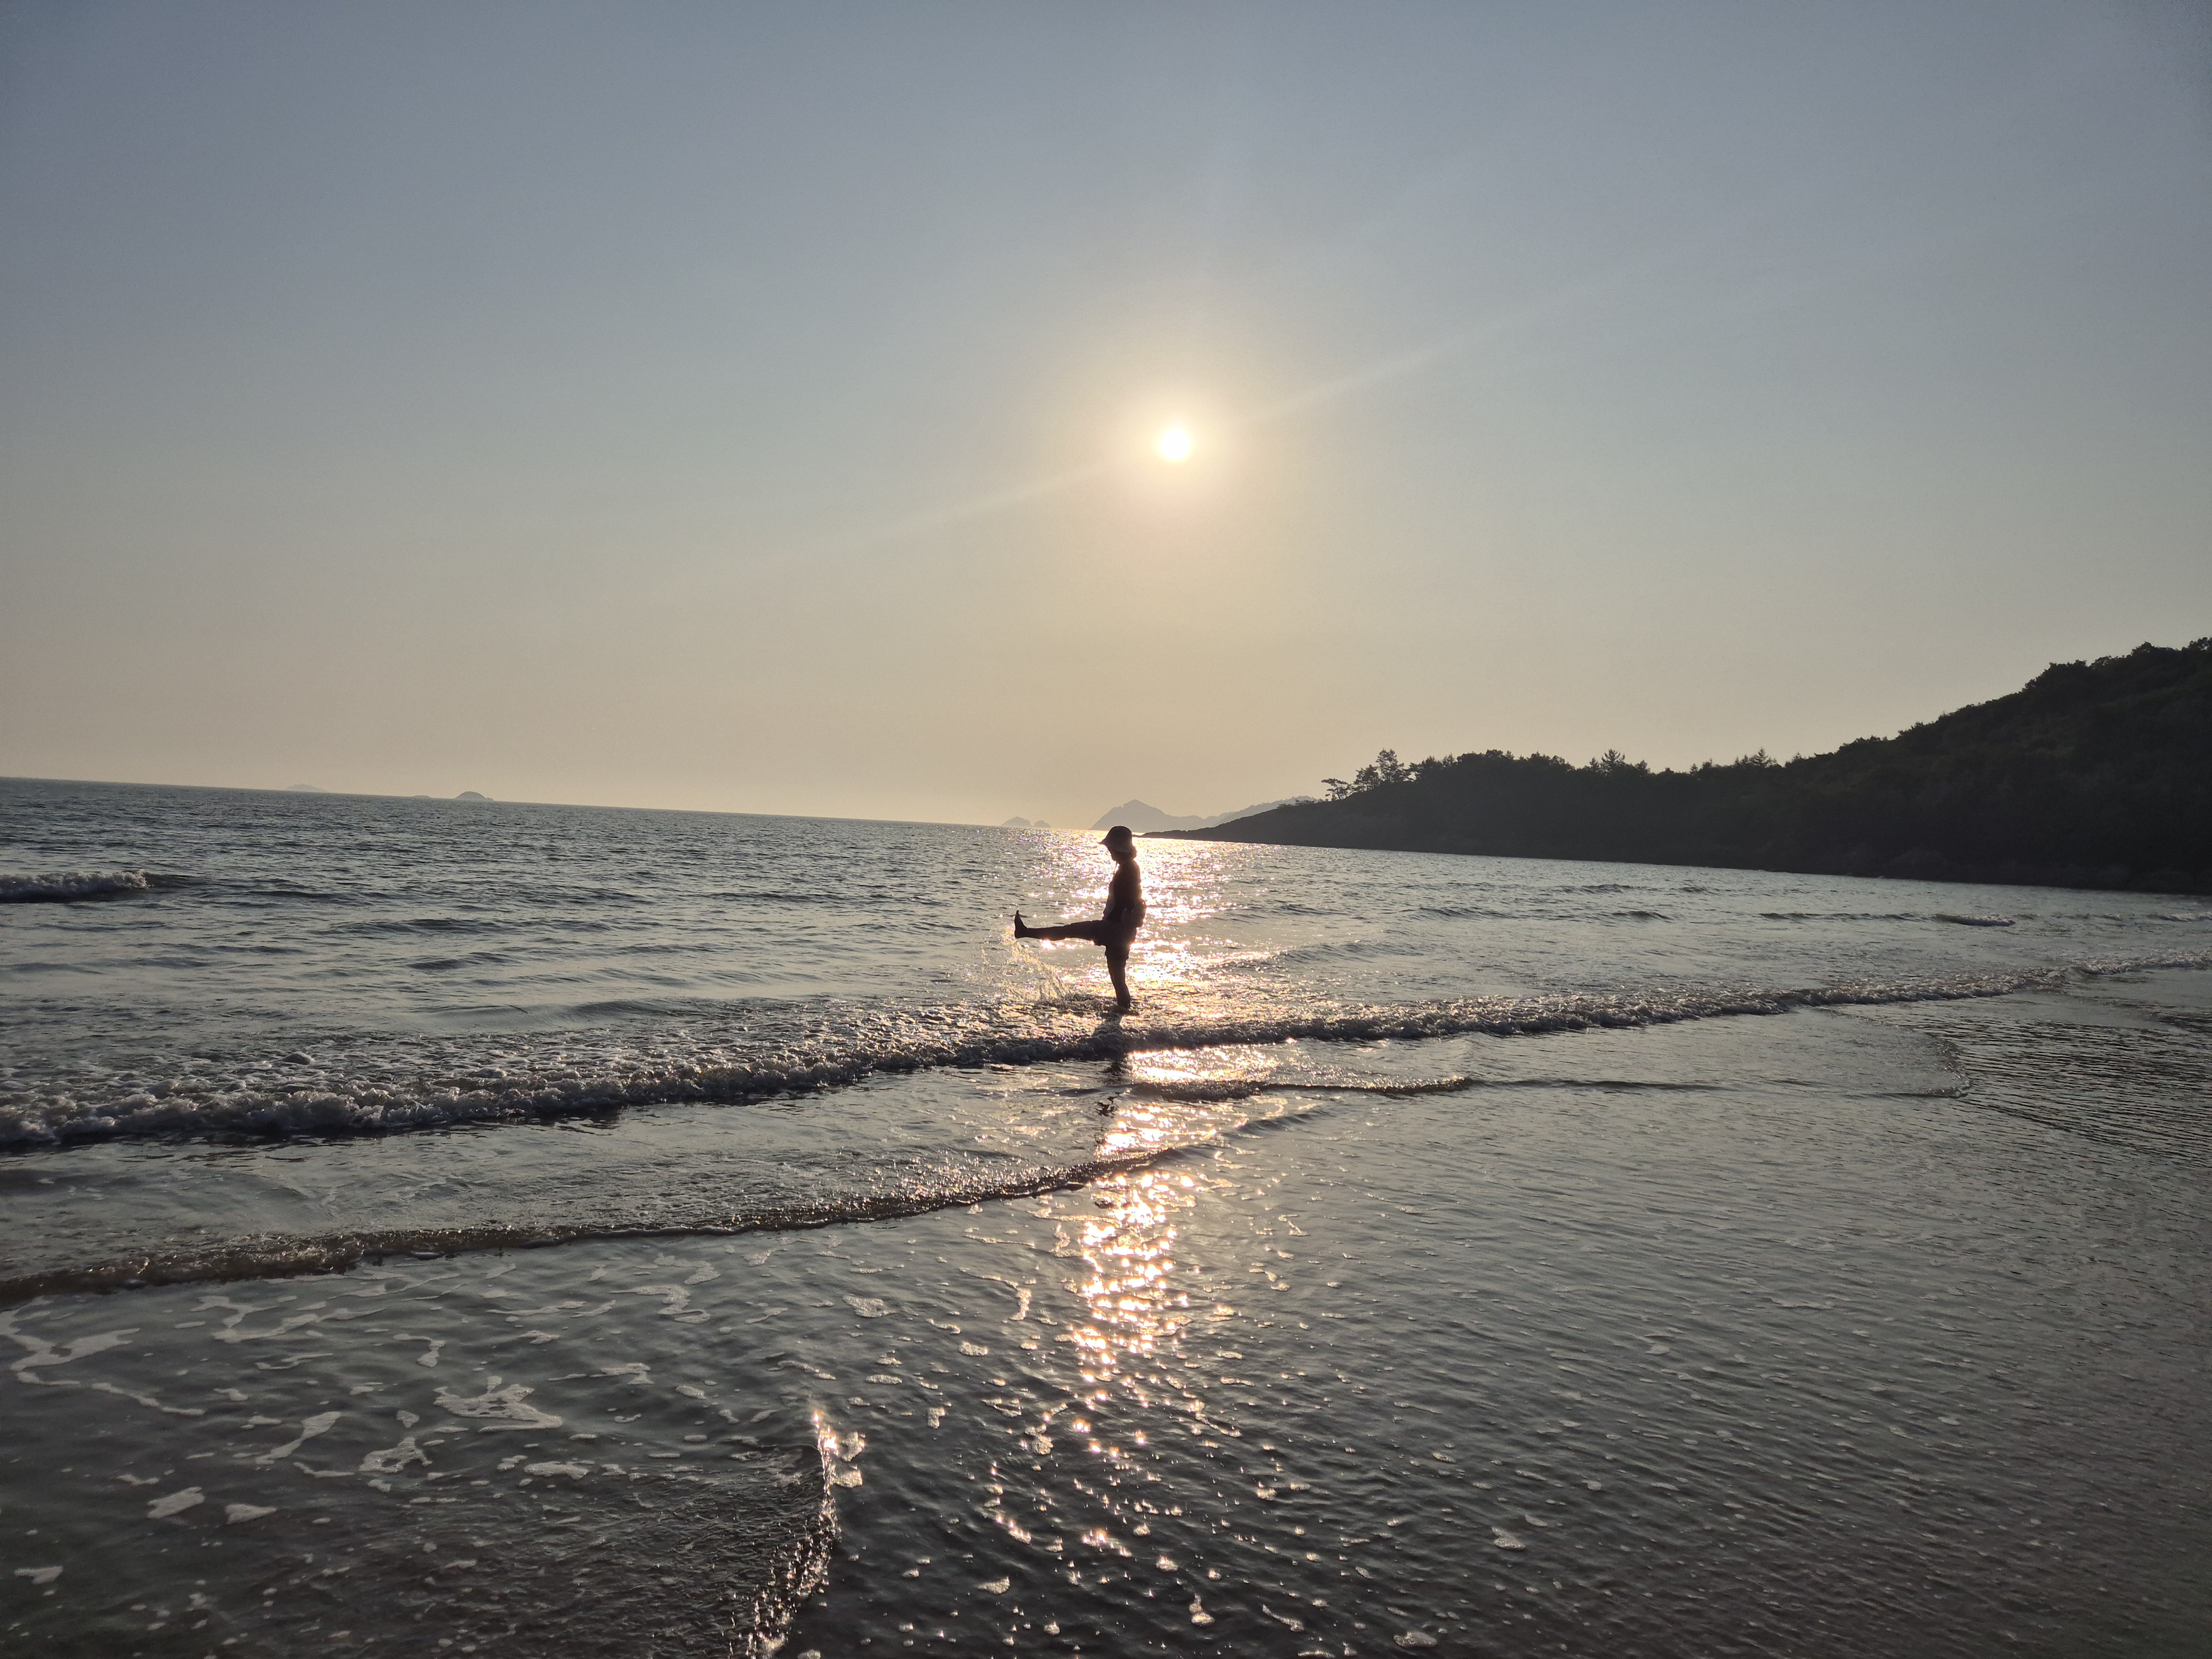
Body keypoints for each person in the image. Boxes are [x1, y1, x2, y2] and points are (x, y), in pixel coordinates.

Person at [1015, 825, 1146, 1012]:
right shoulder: (1128, 867)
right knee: (1118, 980)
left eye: (1110, 848)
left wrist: (1116, 923)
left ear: (1119, 847)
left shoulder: (1128, 870)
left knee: (1068, 931)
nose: (1109, 851)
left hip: (1115, 930)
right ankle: (1122, 1014)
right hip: (1121, 932)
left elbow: (1130, 900)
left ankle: (1024, 932)